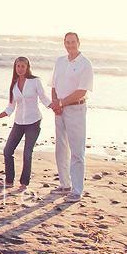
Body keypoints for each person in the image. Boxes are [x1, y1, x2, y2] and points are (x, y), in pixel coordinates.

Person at [0, 56, 52, 191]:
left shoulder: (35, 81)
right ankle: (9, 181)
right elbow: (10, 107)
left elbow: (44, 98)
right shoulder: (14, 85)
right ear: (15, 68)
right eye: (18, 66)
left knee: (27, 153)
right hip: (19, 122)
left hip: (33, 121)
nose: (21, 69)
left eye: (23, 66)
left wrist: (55, 107)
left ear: (28, 67)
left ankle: (24, 183)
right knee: (7, 150)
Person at [49, 32, 94, 202]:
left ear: (79, 43)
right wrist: (55, 103)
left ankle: (77, 190)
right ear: (64, 44)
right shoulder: (60, 61)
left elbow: (82, 91)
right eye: (67, 42)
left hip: (76, 110)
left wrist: (61, 103)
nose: (70, 45)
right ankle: (64, 184)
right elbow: (53, 84)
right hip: (60, 110)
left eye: (73, 42)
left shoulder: (85, 64)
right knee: (61, 148)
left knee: (76, 151)